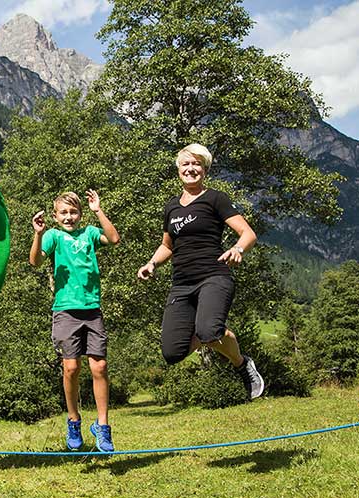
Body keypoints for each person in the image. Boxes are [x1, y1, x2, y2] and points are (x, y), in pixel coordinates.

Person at [137, 143, 265, 399]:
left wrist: (238, 249)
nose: (191, 169)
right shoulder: (171, 207)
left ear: (205, 170)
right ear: (178, 170)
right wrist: (152, 263)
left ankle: (242, 364)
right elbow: (167, 245)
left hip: (214, 276)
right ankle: (211, 330)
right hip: (182, 283)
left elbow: (248, 233)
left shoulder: (215, 198)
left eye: (196, 164)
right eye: (186, 164)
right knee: (173, 353)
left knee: (208, 331)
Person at [30, 190, 121, 452]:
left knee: (99, 367)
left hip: (92, 309)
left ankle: (102, 427)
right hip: (65, 311)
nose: (69, 217)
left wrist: (98, 211)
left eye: (73, 212)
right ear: (56, 216)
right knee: (71, 368)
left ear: (80, 214)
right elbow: (35, 261)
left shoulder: (90, 233)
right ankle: (73, 420)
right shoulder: (53, 236)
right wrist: (37, 234)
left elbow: (114, 238)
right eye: (64, 213)